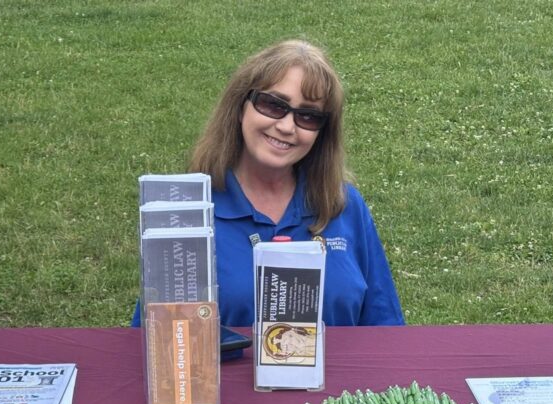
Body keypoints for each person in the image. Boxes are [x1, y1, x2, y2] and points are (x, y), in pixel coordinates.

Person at [135, 39, 403, 328]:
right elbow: (157, 340)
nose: (287, 126)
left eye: (308, 116)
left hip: (342, 375)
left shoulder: (345, 205)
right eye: (273, 105)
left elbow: (385, 331)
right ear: (240, 107)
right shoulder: (185, 212)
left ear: (322, 133)